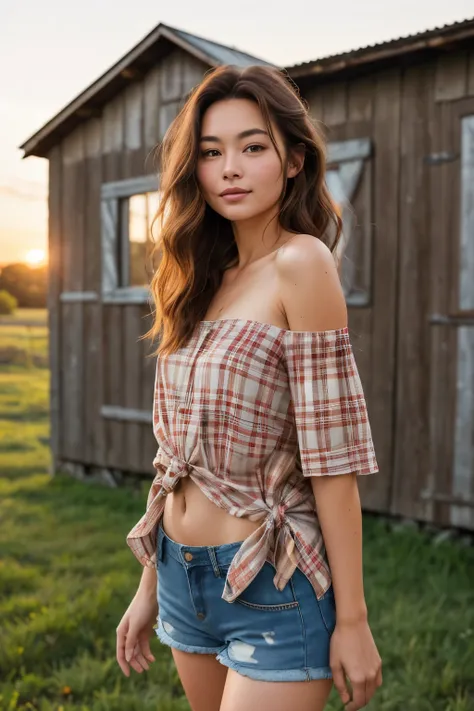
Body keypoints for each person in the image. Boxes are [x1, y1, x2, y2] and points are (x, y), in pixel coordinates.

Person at [116, 63, 382, 711]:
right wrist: (150, 583)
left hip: (273, 582)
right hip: (182, 576)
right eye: (211, 152)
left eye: (252, 146)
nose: (229, 167)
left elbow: (333, 458)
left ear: (293, 160)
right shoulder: (197, 277)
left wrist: (352, 619)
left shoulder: (301, 263)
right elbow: (177, 460)